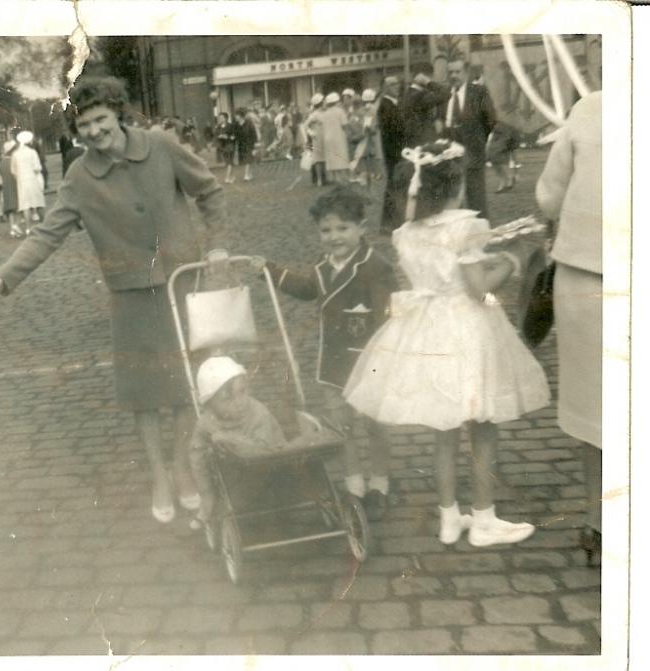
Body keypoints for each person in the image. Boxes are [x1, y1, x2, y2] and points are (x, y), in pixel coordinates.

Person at [0, 76, 227, 523]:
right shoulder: (78, 177)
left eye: (99, 119)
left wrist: (216, 244)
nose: (93, 131)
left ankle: (182, 466)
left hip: (182, 283)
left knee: (188, 386)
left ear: (117, 112)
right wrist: (2, 280)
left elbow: (208, 191)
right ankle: (158, 473)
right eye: (84, 125)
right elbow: (45, 235)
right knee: (144, 394)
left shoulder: (161, 146)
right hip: (130, 295)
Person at [344, 139, 550, 546]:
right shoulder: (466, 227)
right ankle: (485, 518)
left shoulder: (405, 233)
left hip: (427, 326)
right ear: (456, 186)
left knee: (445, 427)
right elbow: (477, 290)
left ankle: (449, 518)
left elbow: (439, 275)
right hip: (468, 329)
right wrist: (513, 261)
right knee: (483, 422)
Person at [256, 184, 397, 519]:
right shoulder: (323, 266)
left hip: (370, 363)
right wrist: (272, 271)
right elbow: (307, 289)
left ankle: (379, 482)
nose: (334, 237)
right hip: (333, 363)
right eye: (326, 230)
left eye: (343, 228)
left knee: (375, 426)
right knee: (342, 426)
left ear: (361, 229)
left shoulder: (375, 267)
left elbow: (389, 315)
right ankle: (354, 485)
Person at [535, 91, 602, 565]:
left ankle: (600, 521)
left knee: (596, 407)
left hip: (587, 273)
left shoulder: (591, 107)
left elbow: (549, 197)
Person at [188, 356, 297, 524]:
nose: (239, 402)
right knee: (201, 456)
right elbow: (196, 453)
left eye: (242, 392)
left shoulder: (258, 414)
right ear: (209, 404)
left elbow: (264, 450)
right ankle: (209, 500)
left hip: (271, 470)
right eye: (227, 399)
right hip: (234, 474)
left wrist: (229, 438)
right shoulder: (207, 421)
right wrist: (206, 492)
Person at [443, 59, 497, 220]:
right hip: (450, 155)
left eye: (457, 72)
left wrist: (478, 139)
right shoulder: (445, 94)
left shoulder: (478, 92)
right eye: (450, 72)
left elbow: (491, 119)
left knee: (476, 196)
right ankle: (459, 232)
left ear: (465, 73)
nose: (453, 76)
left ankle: (480, 231)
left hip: (473, 152)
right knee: (454, 198)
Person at [378, 76, 405, 230]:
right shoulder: (386, 105)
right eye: (393, 84)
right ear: (386, 88)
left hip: (397, 150)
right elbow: (394, 128)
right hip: (393, 151)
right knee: (393, 185)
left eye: (397, 84)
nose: (397, 87)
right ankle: (389, 223)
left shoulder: (394, 103)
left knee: (395, 185)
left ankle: (391, 221)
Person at [12, 130, 46, 234]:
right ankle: (43, 225)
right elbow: (37, 168)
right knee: (38, 202)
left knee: (25, 205)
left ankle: (28, 228)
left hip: (21, 181)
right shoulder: (32, 152)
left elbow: (13, 171)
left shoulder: (15, 154)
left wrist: (19, 177)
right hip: (33, 179)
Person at [321, 92, 351, 183]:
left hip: (327, 138)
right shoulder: (340, 111)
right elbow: (345, 125)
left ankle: (335, 177)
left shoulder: (324, 113)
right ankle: (342, 177)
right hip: (338, 136)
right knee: (341, 156)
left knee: (332, 157)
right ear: (337, 101)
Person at [487, 121, 521, 193]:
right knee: (493, 157)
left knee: (512, 157)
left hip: (508, 135)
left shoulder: (503, 125)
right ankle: (508, 179)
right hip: (503, 135)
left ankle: (510, 178)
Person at [0, 139, 23, 238]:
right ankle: (16, 226)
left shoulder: (2, 162)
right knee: (18, 207)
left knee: (10, 209)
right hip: (14, 185)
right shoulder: (14, 160)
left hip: (6, 186)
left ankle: (12, 228)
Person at [305, 94, 327, 186]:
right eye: (323, 101)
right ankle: (319, 179)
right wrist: (311, 133)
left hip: (325, 137)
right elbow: (305, 125)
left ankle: (324, 178)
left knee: (325, 158)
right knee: (318, 159)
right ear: (320, 103)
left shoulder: (325, 112)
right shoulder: (314, 114)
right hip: (317, 138)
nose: (325, 103)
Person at [230, 108, 257, 183]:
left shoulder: (249, 123)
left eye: (237, 115)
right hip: (241, 144)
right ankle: (250, 174)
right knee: (245, 160)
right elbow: (234, 134)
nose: (236, 117)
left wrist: (255, 144)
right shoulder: (235, 124)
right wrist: (233, 137)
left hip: (249, 143)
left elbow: (253, 134)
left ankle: (246, 175)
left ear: (241, 116)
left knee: (248, 158)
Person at [214, 112, 236, 180]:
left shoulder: (230, 126)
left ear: (226, 118)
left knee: (229, 161)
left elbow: (234, 135)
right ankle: (232, 176)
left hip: (229, 145)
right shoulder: (218, 127)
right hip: (222, 146)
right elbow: (215, 135)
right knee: (228, 162)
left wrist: (227, 137)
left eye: (221, 118)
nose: (220, 119)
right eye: (219, 118)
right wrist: (219, 136)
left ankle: (227, 177)